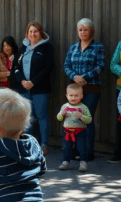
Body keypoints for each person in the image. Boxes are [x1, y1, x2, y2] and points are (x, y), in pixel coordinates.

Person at [63, 18, 105, 160]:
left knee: (86, 118)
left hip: (91, 88)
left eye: (85, 29)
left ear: (91, 31)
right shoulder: (73, 48)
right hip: (75, 89)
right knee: (73, 118)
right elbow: (66, 65)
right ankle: (75, 150)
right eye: (80, 30)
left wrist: (84, 77)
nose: (82, 32)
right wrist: (74, 77)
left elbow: (100, 66)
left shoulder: (97, 47)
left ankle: (88, 152)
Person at [13, 21, 55, 154]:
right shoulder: (23, 48)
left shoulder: (46, 48)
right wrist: (22, 81)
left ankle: (44, 144)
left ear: (40, 33)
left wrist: (33, 82)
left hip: (40, 89)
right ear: (27, 34)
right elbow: (15, 67)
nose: (33, 34)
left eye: (35, 31)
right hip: (24, 89)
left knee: (41, 116)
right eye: (30, 31)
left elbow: (48, 68)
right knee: (28, 117)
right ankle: (28, 143)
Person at [57, 83, 92, 172]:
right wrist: (62, 114)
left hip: (80, 132)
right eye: (71, 95)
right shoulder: (65, 106)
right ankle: (65, 162)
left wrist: (82, 116)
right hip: (67, 132)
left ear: (81, 96)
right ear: (67, 95)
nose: (73, 97)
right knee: (66, 147)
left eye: (76, 96)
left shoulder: (83, 107)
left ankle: (83, 162)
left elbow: (89, 120)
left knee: (81, 147)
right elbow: (59, 118)